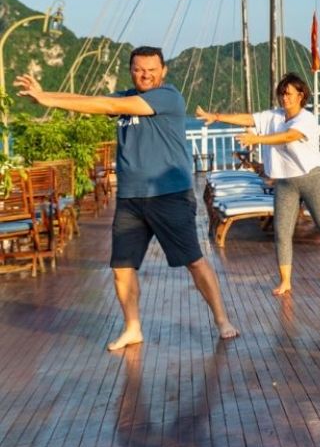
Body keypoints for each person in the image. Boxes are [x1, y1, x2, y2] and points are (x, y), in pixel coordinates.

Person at [15, 47, 239, 351]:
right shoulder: (125, 98)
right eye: (138, 69)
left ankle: (222, 319)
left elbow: (106, 103)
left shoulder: (167, 96)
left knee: (194, 261)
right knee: (122, 267)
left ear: (163, 71)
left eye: (151, 69)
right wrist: (46, 95)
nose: (145, 74)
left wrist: (47, 100)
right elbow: (89, 102)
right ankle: (132, 327)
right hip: (131, 199)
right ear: (130, 70)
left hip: (169, 195)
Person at [196, 73, 320, 295]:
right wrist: (216, 116)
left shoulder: (306, 119)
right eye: (281, 94)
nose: (283, 98)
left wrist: (256, 140)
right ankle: (285, 281)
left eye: (288, 94)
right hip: (285, 182)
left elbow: (288, 137)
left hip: (312, 179)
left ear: (300, 95)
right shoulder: (274, 116)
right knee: (282, 231)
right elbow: (248, 119)